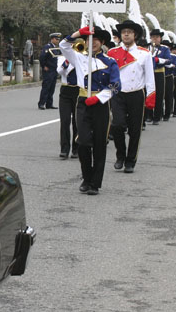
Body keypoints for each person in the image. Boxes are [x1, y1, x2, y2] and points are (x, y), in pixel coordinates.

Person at [60, 26, 120, 195]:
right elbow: (64, 46)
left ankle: (95, 183)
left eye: (96, 41)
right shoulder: (79, 58)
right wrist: (78, 33)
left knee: (100, 143)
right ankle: (86, 178)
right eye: (89, 40)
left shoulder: (110, 62)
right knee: (83, 142)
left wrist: (100, 97)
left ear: (102, 43)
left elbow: (115, 85)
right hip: (83, 101)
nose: (91, 43)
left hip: (101, 103)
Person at [107, 20, 155, 173]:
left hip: (136, 93)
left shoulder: (144, 53)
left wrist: (151, 95)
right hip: (118, 94)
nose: (126, 34)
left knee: (135, 129)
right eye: (123, 32)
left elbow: (150, 77)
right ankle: (120, 155)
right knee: (117, 125)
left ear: (135, 35)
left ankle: (131, 160)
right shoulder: (112, 53)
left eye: (129, 31)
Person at [56, 54, 79, 158]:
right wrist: (67, 61)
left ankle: (76, 148)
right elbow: (60, 71)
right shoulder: (62, 57)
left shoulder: (83, 57)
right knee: (65, 121)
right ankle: (64, 149)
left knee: (77, 121)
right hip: (66, 90)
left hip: (78, 90)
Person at [149, 29, 171, 125]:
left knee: (159, 94)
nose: (155, 39)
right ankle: (149, 115)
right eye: (153, 37)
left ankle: (157, 116)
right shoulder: (147, 48)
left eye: (157, 37)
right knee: (149, 93)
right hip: (149, 73)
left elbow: (168, 60)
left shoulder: (164, 49)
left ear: (160, 38)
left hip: (159, 72)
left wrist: (158, 60)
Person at [38, 33, 61, 110]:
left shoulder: (55, 48)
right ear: (52, 39)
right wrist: (44, 66)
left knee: (52, 87)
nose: (57, 41)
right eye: (56, 39)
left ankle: (49, 104)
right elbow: (42, 57)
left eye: (58, 39)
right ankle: (41, 103)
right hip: (48, 70)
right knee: (46, 87)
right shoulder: (47, 47)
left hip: (54, 70)